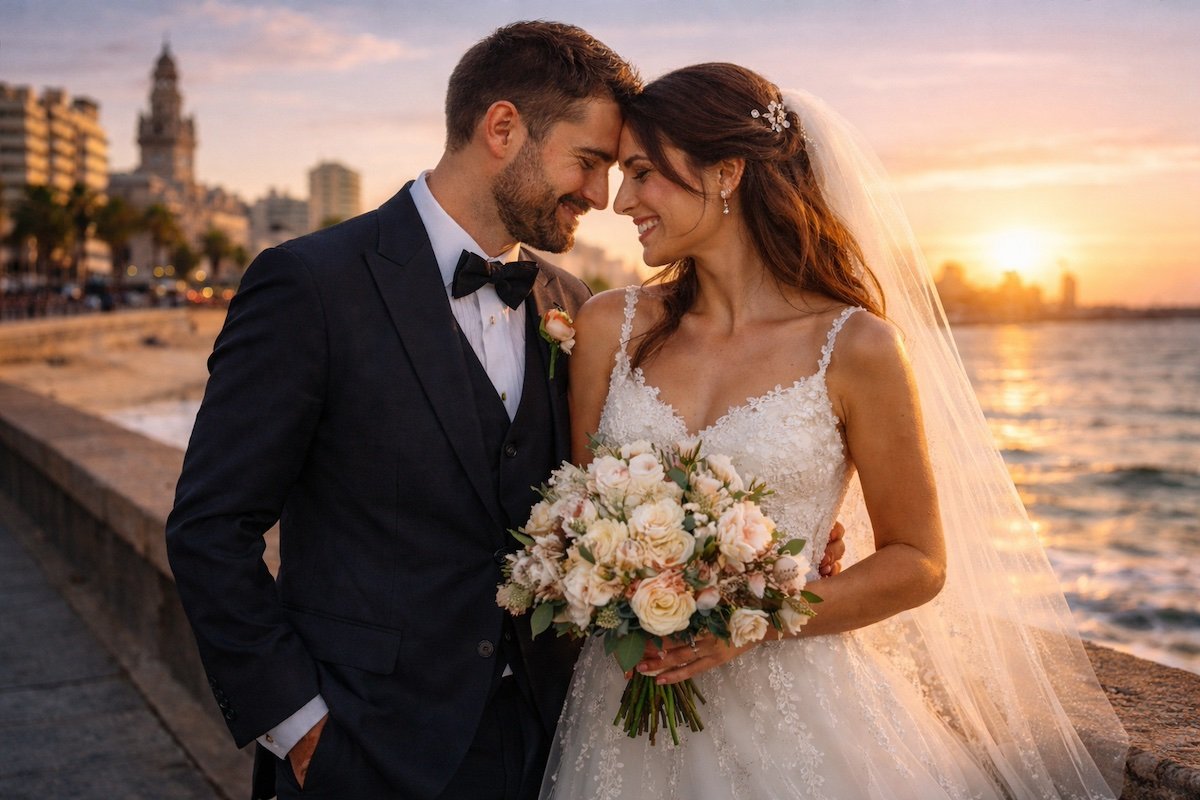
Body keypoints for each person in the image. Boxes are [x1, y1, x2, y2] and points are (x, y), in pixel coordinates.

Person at [166, 21, 849, 800]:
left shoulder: (574, 304)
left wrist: (762, 542)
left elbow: (614, 485)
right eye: (589, 161)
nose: (601, 196)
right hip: (361, 747)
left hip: (549, 745)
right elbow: (210, 528)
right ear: (502, 128)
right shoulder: (310, 285)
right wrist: (299, 727)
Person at [542, 63, 1127, 799]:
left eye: (642, 173)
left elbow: (919, 561)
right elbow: (579, 512)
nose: (622, 201)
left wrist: (753, 618)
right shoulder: (609, 325)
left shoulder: (857, 348)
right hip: (621, 714)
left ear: (726, 173)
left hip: (798, 721)